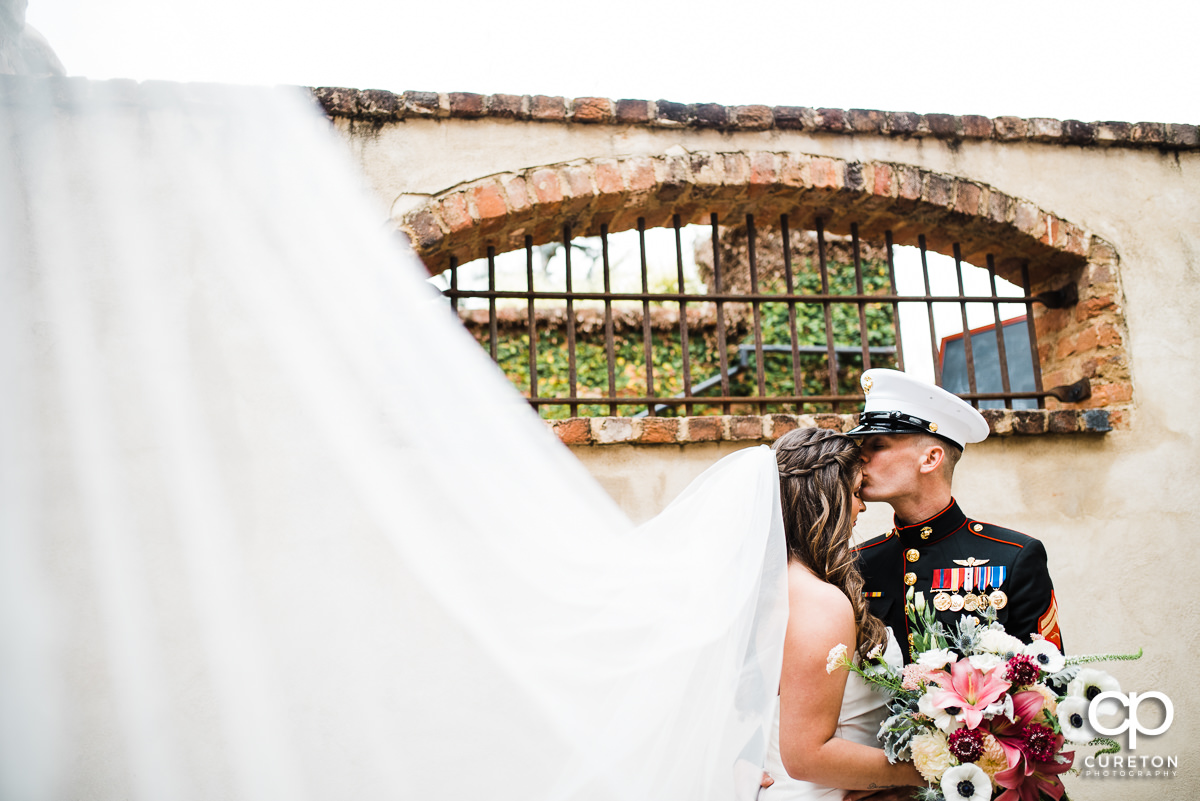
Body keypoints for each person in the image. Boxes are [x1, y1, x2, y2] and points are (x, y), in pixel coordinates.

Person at [848, 369, 1063, 664]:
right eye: (862, 445)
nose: (860, 455)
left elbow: (1045, 685)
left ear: (931, 459)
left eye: (878, 445)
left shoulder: (1014, 557)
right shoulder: (857, 562)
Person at [759, 428, 923, 801]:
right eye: (853, 493)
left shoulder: (770, 586)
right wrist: (936, 769)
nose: (861, 507)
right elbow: (806, 756)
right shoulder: (819, 601)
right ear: (826, 500)